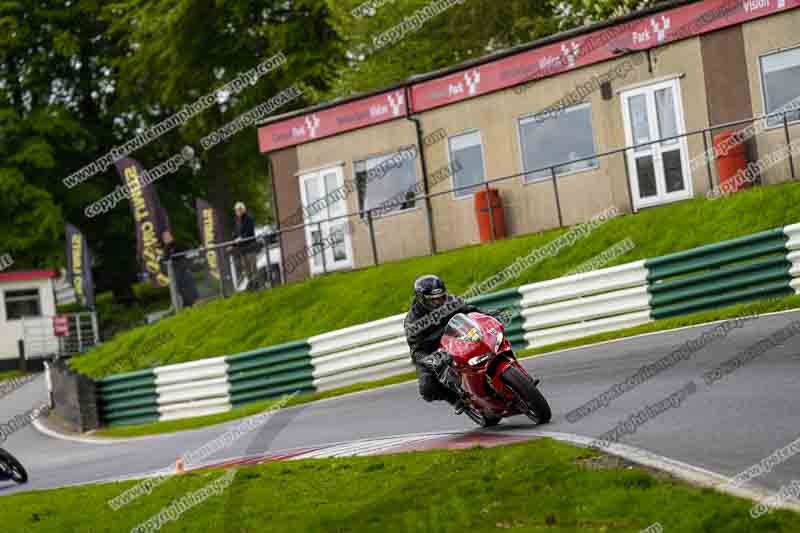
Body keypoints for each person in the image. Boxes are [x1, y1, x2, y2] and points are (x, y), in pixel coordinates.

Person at [404, 275, 492, 413]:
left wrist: (488, 316)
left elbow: (469, 310)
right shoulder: (412, 321)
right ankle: (455, 399)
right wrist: (431, 360)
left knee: (490, 338)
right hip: (434, 351)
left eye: (440, 297)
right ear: (421, 299)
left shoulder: (450, 301)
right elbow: (416, 349)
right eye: (433, 300)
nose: (438, 302)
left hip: (457, 337)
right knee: (426, 388)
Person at [161, 230, 198, 308]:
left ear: (171, 236)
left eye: (168, 236)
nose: (167, 238)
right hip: (176, 271)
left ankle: (193, 302)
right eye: (165, 237)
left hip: (184, 268)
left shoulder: (178, 244)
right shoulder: (166, 248)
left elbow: (186, 250)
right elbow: (166, 257)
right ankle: (187, 304)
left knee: (189, 284)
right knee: (180, 287)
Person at [233, 201, 258, 289]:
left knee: (252, 266)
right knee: (246, 268)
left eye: (239, 209)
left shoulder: (249, 219)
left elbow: (249, 232)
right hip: (242, 249)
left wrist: (241, 238)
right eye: (236, 210)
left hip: (250, 246)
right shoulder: (237, 221)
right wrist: (233, 243)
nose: (238, 212)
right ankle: (250, 283)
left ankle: (256, 283)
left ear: (243, 209)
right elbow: (235, 234)